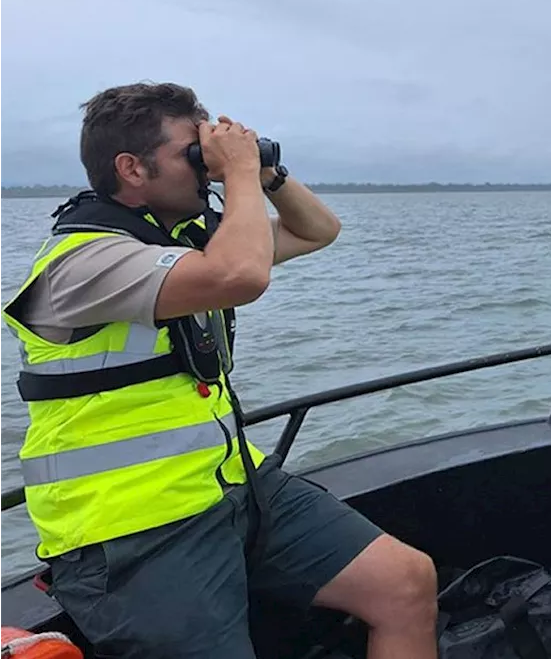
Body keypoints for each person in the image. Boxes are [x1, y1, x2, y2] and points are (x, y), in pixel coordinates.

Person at [1, 82, 439, 658]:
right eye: (192, 154)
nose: (206, 166)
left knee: (405, 583)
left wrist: (264, 175)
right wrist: (235, 173)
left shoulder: (184, 240)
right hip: (133, 531)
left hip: (232, 484)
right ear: (131, 168)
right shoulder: (85, 262)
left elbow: (318, 230)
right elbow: (241, 277)